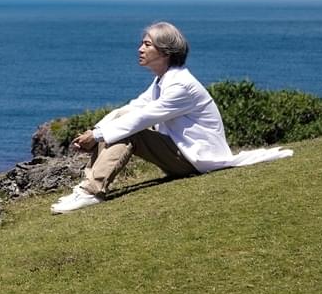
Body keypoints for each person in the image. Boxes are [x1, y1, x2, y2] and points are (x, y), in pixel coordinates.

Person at [50, 21, 291, 214]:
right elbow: (133, 108)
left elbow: (143, 117)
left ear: (165, 52)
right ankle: (86, 187)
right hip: (181, 154)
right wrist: (95, 131)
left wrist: (97, 135)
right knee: (121, 120)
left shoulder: (181, 85)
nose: (140, 49)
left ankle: (92, 192)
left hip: (194, 161)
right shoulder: (164, 79)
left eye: (147, 44)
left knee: (131, 130)